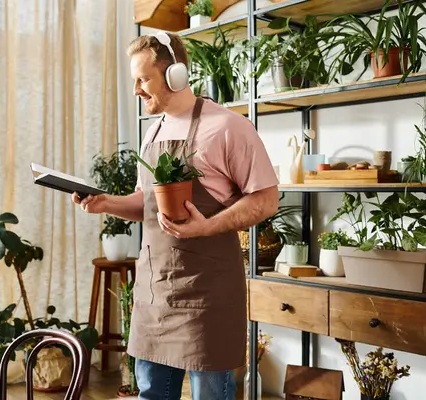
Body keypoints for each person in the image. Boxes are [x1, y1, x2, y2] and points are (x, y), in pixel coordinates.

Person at [73, 31, 279, 400]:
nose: (136, 89)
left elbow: (265, 201)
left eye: (143, 79)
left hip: (208, 294)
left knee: (210, 395)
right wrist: (107, 203)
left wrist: (207, 226)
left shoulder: (229, 127)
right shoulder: (153, 133)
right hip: (156, 291)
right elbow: (148, 204)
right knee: (151, 393)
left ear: (175, 75)